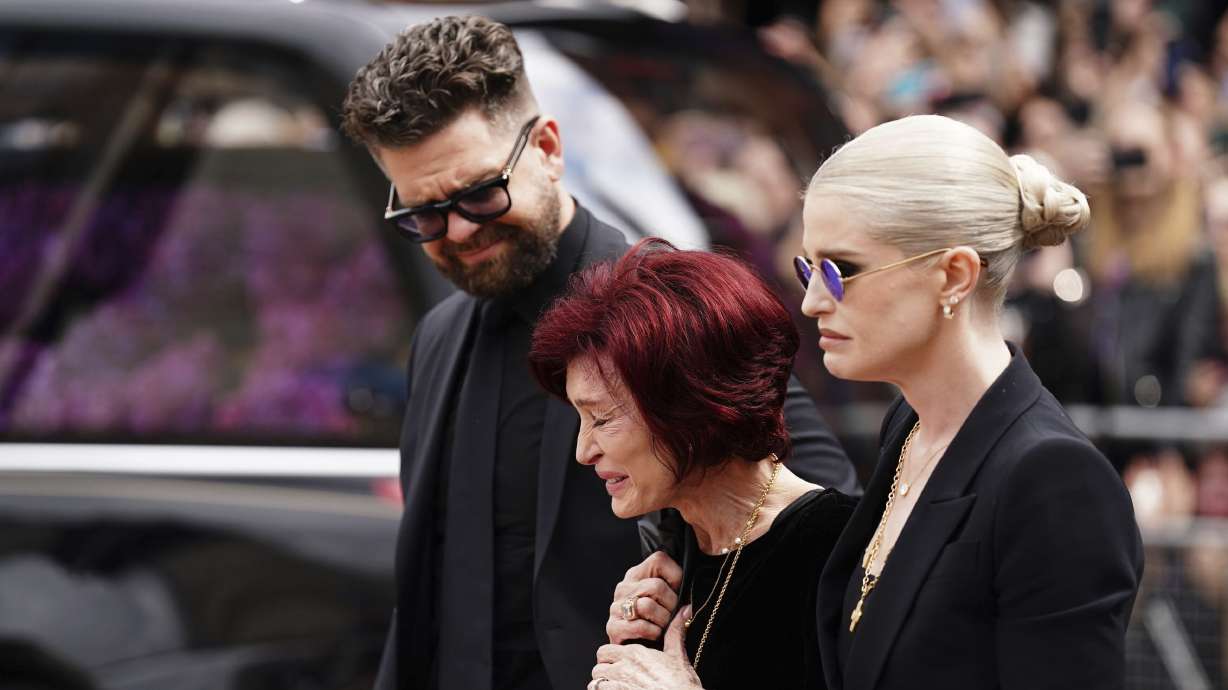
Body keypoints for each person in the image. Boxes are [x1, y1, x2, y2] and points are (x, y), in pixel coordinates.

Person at [338, 16, 859, 690]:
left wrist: (696, 628)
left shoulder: (666, 310)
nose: (459, 229)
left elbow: (819, 529)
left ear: (549, 148)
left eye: (478, 193)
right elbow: (428, 598)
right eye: (424, 215)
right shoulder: (440, 335)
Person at [592, 114, 1144, 690]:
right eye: (810, 267)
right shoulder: (909, 427)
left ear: (953, 275)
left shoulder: (1053, 479)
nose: (811, 301)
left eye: (839, 270)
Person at [529, 240, 856, 690]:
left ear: (691, 406)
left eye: (602, 418)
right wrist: (632, 647)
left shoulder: (841, 550)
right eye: (580, 419)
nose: (585, 451)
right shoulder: (670, 546)